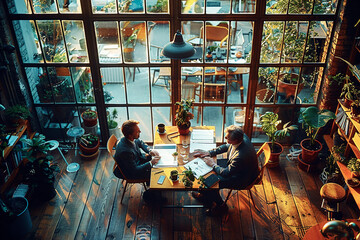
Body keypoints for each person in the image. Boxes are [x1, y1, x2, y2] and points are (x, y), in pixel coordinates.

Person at [192, 125, 259, 215]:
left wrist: (213, 164)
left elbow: (226, 173)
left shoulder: (240, 156)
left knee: (210, 184)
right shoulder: (242, 137)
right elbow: (227, 146)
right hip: (238, 168)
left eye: (227, 137)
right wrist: (210, 153)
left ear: (235, 140)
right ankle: (205, 195)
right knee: (206, 176)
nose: (224, 138)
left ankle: (221, 206)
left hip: (241, 178)